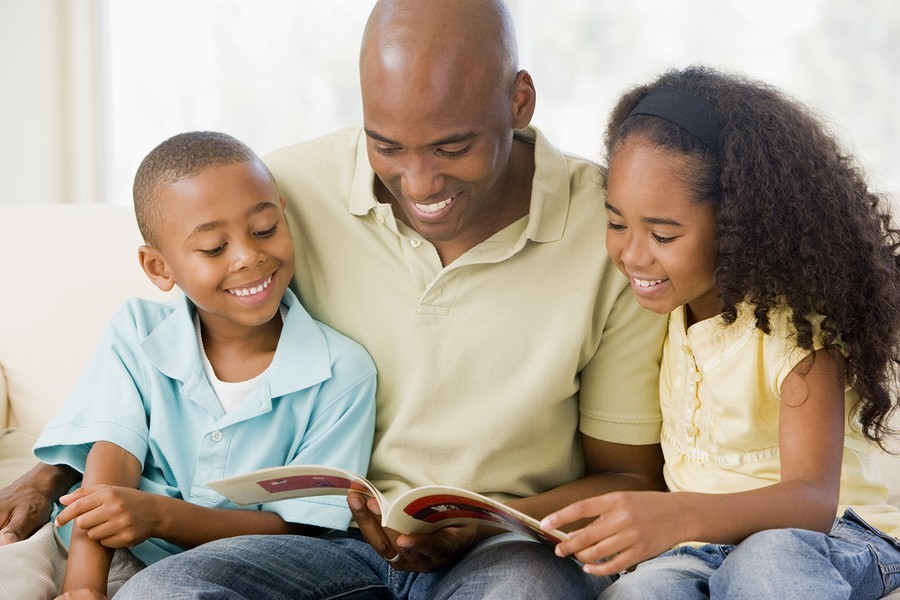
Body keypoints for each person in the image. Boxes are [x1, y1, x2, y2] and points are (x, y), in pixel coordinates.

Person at [2, 0, 669, 597]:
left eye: (453, 146)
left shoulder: (611, 232)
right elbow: (162, 352)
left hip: (499, 549)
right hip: (305, 542)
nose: (420, 182)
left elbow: (631, 479)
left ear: (519, 100)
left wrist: (470, 525)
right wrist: (49, 477)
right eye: (387, 145)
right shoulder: (279, 196)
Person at [541, 65, 900, 599]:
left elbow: (811, 500)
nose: (633, 254)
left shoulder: (796, 332)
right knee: (640, 591)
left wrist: (675, 514)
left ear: (738, 224)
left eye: (663, 233)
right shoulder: (658, 315)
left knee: (766, 560)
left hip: (832, 536)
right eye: (616, 223)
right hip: (696, 547)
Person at [0, 131, 377, 599]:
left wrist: (159, 516)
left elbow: (299, 529)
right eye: (215, 248)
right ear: (160, 268)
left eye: (264, 229)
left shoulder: (342, 372)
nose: (249, 256)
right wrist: (83, 588)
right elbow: (112, 459)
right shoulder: (136, 332)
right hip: (92, 546)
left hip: (235, 564)